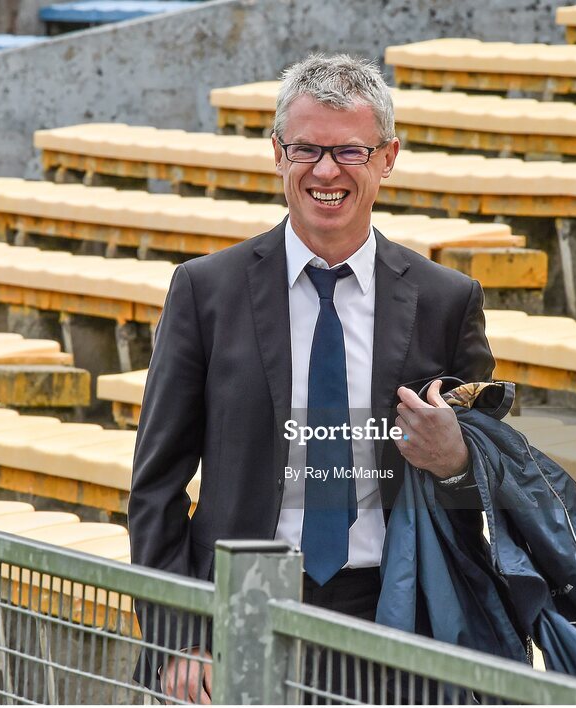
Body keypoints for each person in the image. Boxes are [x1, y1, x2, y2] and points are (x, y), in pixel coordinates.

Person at [129, 53, 494, 703]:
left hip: (396, 618)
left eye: (350, 152)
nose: (326, 171)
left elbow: (482, 485)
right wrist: (176, 639)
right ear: (277, 154)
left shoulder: (448, 301)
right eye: (306, 150)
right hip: (239, 617)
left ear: (388, 158)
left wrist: (459, 456)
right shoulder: (204, 292)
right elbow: (155, 487)